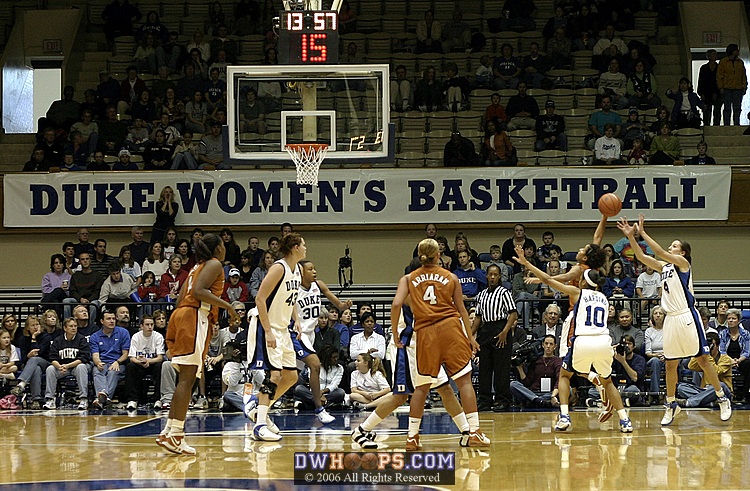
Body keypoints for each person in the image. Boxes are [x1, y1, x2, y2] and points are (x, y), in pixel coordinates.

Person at [617, 214, 732, 424]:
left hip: (686, 316)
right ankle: (671, 405)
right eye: (671, 245)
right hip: (670, 319)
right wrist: (631, 238)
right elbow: (643, 258)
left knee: (703, 360)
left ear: (683, 252)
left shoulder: (682, 263)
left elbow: (659, 251)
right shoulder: (664, 267)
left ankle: (722, 397)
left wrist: (642, 233)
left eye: (675, 245)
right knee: (670, 364)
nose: (671, 248)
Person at [513, 245, 633, 433]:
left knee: (565, 375)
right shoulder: (603, 297)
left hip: (583, 341)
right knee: (608, 381)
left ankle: (564, 416)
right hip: (603, 341)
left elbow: (547, 279)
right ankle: (625, 420)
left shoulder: (578, 293)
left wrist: (527, 262)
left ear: (583, 283)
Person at [392, 238, 490, 450]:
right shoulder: (451, 277)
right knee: (464, 381)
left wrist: (394, 333)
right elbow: (462, 309)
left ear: (419, 255)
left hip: (426, 333)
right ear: (439, 256)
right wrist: (470, 337)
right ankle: (474, 432)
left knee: (422, 387)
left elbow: (396, 304)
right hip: (450, 329)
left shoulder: (408, 278)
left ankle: (412, 437)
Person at [156, 233, 240, 454]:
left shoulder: (196, 267)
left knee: (185, 379)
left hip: (182, 315)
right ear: (218, 248)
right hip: (193, 317)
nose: (224, 248)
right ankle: (176, 435)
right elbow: (198, 292)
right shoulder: (214, 264)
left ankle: (169, 431)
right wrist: (229, 307)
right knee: (187, 378)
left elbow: (180, 296)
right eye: (222, 245)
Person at [242, 233, 307, 442]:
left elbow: (292, 298)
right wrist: (268, 330)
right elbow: (260, 298)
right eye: (303, 245)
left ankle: (257, 407)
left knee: (291, 377)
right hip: (266, 326)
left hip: (283, 328)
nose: (306, 248)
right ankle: (260, 425)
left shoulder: (297, 269)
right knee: (275, 376)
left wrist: (296, 319)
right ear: (295, 247)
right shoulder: (278, 267)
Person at [291, 260, 352, 422]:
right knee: (315, 365)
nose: (314, 271)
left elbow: (338, 304)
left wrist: (344, 305)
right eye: (310, 269)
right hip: (298, 332)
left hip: (310, 334)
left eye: (315, 268)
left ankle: (258, 402)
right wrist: (295, 319)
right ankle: (319, 408)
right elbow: (289, 306)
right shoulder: (294, 288)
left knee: (289, 377)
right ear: (301, 272)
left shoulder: (319, 285)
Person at [472, 264, 517, 411]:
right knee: (485, 367)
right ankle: (484, 400)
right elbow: (478, 317)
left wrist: (505, 331)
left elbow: (513, 314)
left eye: (495, 275)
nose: (492, 277)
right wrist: (471, 334)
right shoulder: (482, 294)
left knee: (501, 369)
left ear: (499, 277)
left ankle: (502, 400)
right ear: (486, 276)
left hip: (501, 329)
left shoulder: (504, 293)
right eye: (490, 274)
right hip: (486, 330)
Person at [43, 317, 91, 410]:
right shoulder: (58, 340)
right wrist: (59, 366)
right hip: (62, 368)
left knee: (81, 367)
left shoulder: (81, 339)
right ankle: (50, 399)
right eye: (71, 326)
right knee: (50, 369)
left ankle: (83, 399)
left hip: (75, 367)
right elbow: (52, 357)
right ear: (65, 328)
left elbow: (83, 357)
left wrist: (68, 365)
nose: (74, 328)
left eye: (75, 326)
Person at [677, 332, 734, 408]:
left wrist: (708, 355)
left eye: (711, 345)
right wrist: (699, 352)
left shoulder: (726, 359)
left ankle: (690, 402)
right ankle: (709, 403)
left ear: (717, 346)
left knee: (719, 385)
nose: (709, 347)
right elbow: (691, 366)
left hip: (722, 392)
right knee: (681, 387)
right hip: (705, 391)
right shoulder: (704, 360)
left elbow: (715, 372)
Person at [125, 314, 165, 410]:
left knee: (160, 365)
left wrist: (148, 361)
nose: (150, 327)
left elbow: (160, 357)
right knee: (130, 366)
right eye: (147, 324)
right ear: (141, 326)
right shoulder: (136, 337)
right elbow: (132, 357)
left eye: (151, 324)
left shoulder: (158, 336)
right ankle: (133, 400)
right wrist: (141, 362)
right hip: (140, 364)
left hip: (153, 364)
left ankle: (158, 399)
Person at [510, 335, 562, 408]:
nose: (548, 346)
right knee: (513, 384)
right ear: (542, 345)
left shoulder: (558, 361)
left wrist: (553, 395)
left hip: (550, 393)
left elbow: (559, 380)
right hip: (534, 392)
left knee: (567, 388)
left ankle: (535, 401)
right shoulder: (536, 360)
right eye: (546, 343)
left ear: (555, 346)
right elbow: (527, 382)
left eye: (551, 344)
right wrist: (519, 368)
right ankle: (538, 400)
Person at [718, 308, 750, 402]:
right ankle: (727, 394)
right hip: (726, 360)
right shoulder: (722, 333)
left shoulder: (746, 334)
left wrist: (738, 360)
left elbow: (747, 351)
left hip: (741, 360)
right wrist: (730, 361)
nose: (731, 321)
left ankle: (744, 395)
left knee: (749, 364)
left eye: (733, 318)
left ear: (738, 320)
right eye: (729, 319)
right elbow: (722, 350)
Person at [716, 43, 747, 126]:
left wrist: (744, 86)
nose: (738, 51)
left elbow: (743, 75)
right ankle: (727, 125)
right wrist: (721, 87)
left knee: (737, 108)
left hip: (738, 88)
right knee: (727, 108)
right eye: (736, 50)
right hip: (727, 88)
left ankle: (737, 124)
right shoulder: (723, 62)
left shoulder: (740, 62)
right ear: (732, 51)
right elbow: (719, 76)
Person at [645, 306, 666, 405]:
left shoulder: (669, 330)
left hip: (668, 356)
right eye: (655, 313)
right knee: (655, 361)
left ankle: (674, 392)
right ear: (652, 317)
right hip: (653, 357)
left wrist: (666, 356)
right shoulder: (649, 331)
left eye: (660, 313)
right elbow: (648, 352)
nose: (658, 315)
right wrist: (656, 355)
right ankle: (655, 394)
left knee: (674, 362)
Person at [697, 49, 722, 126]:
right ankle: (706, 125)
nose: (715, 56)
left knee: (717, 111)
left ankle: (716, 126)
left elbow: (720, 80)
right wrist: (701, 93)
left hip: (717, 92)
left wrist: (717, 92)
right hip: (706, 92)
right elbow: (701, 81)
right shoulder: (704, 68)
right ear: (709, 56)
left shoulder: (719, 67)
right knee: (707, 111)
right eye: (713, 54)